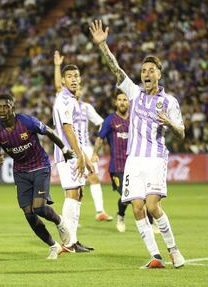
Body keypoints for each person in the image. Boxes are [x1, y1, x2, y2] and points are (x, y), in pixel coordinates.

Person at [90, 20, 185, 268]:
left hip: (155, 159)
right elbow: (116, 69)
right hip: (134, 160)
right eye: (144, 70)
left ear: (159, 74)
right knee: (137, 208)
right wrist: (102, 46)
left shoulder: (170, 102)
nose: (146, 74)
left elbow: (182, 132)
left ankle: (174, 250)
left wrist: (171, 125)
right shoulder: (134, 93)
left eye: (151, 70)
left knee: (153, 206)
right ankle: (155, 256)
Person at [0, 93, 73, 260]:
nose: (2, 110)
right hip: (20, 172)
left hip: (40, 165)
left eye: (5, 106)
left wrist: (64, 149)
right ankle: (53, 246)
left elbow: (49, 131)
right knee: (28, 213)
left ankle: (60, 222)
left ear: (13, 107)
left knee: (39, 208)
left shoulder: (27, 121)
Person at [54, 50, 113, 222]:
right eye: (71, 79)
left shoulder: (86, 107)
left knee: (88, 182)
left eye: (77, 82)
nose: (76, 86)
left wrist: (96, 145)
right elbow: (58, 86)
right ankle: (72, 225)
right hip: (73, 146)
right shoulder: (65, 101)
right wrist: (57, 66)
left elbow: (103, 124)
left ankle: (98, 212)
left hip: (84, 145)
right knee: (75, 190)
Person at [93, 90, 158, 233]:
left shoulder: (135, 120)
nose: (122, 102)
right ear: (116, 102)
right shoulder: (110, 120)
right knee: (126, 197)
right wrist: (94, 153)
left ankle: (151, 223)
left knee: (144, 195)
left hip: (135, 164)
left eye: (125, 100)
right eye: (120, 100)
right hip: (117, 166)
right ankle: (121, 216)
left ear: (129, 103)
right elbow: (99, 138)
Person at [52, 54, 95, 253]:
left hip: (74, 153)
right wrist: (80, 156)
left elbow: (74, 131)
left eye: (76, 75)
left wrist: (84, 157)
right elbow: (68, 129)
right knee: (72, 194)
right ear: (63, 80)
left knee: (78, 193)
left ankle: (73, 241)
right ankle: (67, 241)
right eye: (69, 76)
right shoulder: (65, 100)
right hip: (68, 154)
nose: (74, 79)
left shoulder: (68, 98)